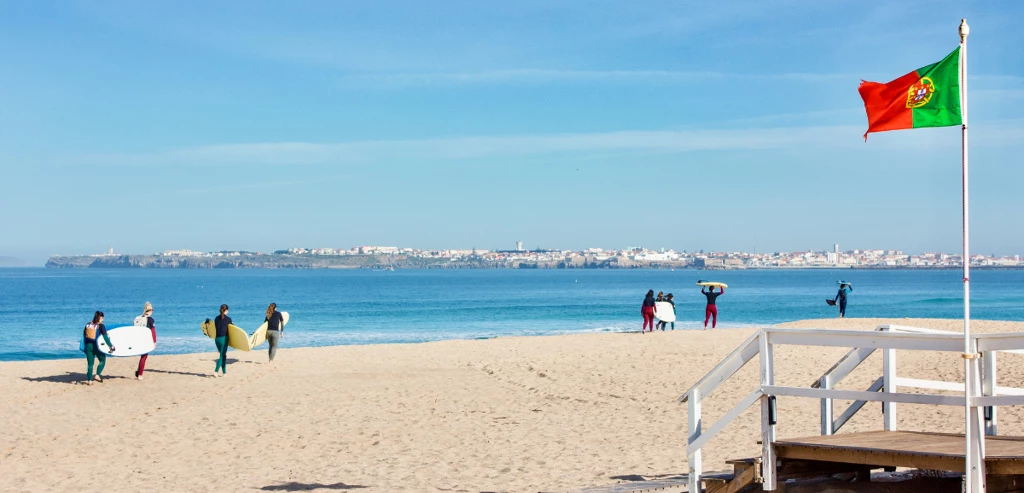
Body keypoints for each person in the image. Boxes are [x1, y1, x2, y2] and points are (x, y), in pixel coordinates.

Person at [83, 311, 114, 385]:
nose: (103, 319)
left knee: (90, 364)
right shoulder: (101, 326)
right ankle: (97, 375)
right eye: (102, 318)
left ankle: (89, 381)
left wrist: (84, 346)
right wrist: (110, 346)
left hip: (88, 346)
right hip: (96, 346)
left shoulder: (88, 324)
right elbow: (105, 337)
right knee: (102, 360)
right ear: (100, 317)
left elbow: (84, 335)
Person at [133, 302, 157, 380]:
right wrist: (154, 342)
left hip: (138, 339)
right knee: (144, 357)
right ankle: (140, 374)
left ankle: (139, 372)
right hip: (146, 340)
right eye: (151, 310)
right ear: (150, 311)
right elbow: (153, 331)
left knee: (143, 356)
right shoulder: (150, 320)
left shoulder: (138, 318)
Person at [213, 304, 231, 376]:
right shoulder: (228, 319)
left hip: (217, 339)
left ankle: (224, 372)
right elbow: (231, 330)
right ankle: (216, 371)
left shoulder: (216, 318)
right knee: (221, 356)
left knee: (223, 355)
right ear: (226, 310)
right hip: (224, 339)